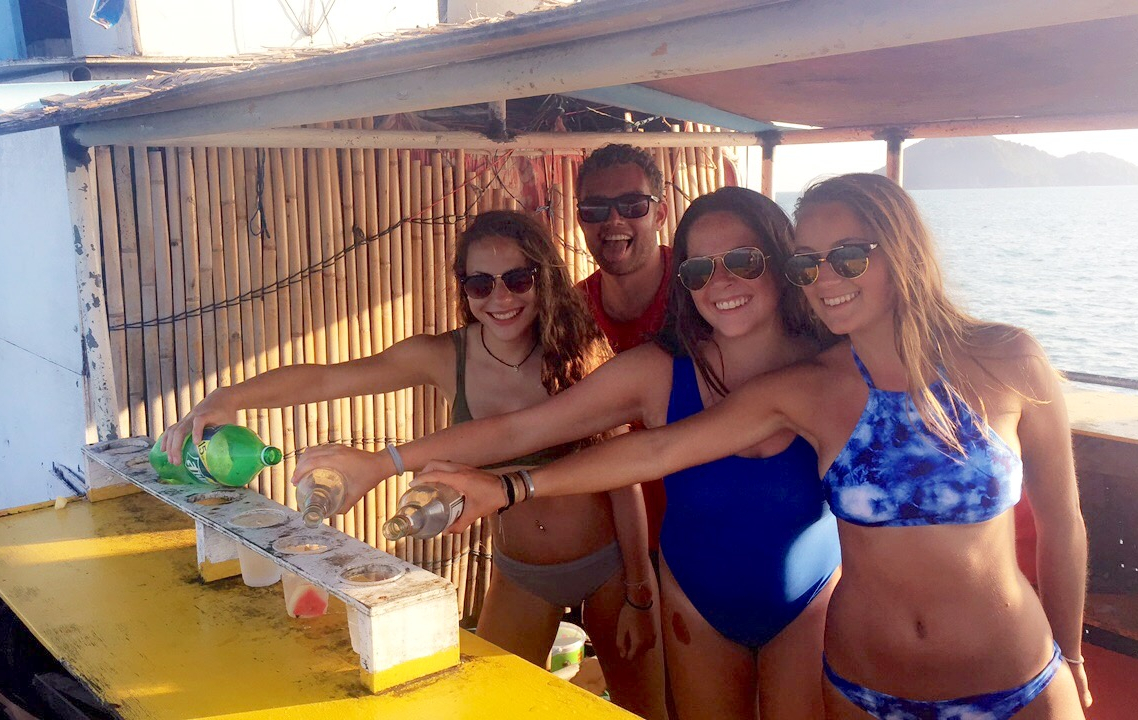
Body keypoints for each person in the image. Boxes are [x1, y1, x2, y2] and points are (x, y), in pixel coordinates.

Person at [427, 174, 1091, 719]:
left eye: (848, 256)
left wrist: (1074, 651)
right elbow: (656, 452)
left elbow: (1063, 524)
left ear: (902, 251)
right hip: (864, 686)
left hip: (1014, 678)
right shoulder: (809, 388)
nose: (826, 276)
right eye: (811, 262)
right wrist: (498, 483)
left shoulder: (1012, 362)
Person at [296, 187, 843, 719]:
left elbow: (651, 453)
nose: (720, 282)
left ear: (781, 258)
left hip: (809, 604)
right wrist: (384, 462)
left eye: (743, 260)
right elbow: (521, 431)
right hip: (697, 608)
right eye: (699, 269)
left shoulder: (836, 369)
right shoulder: (659, 372)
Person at [159, 210, 667, 719]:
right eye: (480, 284)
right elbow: (327, 379)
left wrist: (641, 591)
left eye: (517, 279)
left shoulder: (577, 351)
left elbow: (622, 477)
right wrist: (228, 396)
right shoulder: (445, 356)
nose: (501, 299)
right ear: (462, 288)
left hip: (608, 570)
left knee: (643, 710)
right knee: (490, 711)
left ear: (544, 279)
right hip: (522, 576)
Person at [572, 144, 674, 554]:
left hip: (702, 536)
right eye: (595, 209)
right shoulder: (571, 314)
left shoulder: (702, 295)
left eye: (632, 205)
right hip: (608, 544)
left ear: (660, 214)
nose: (613, 220)